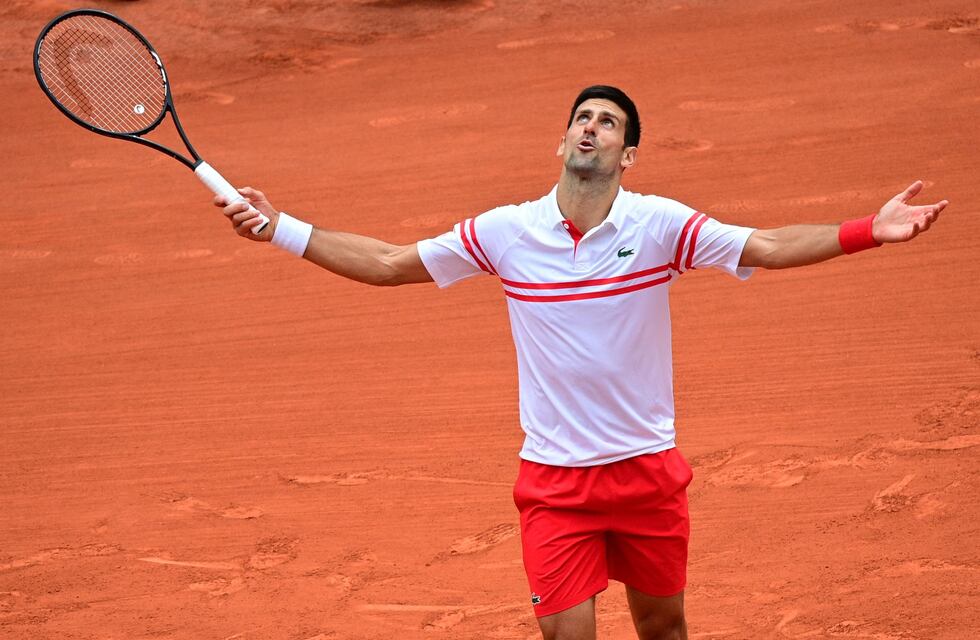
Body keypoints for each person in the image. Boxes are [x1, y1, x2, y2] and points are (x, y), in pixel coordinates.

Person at [214, 86, 946, 640]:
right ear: (562, 141)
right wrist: (280, 228)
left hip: (647, 472)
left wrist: (868, 232)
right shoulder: (506, 233)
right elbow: (386, 263)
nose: (591, 127)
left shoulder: (660, 226)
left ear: (627, 155)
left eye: (609, 123)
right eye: (583, 118)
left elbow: (768, 246)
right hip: (555, 484)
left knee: (665, 630)